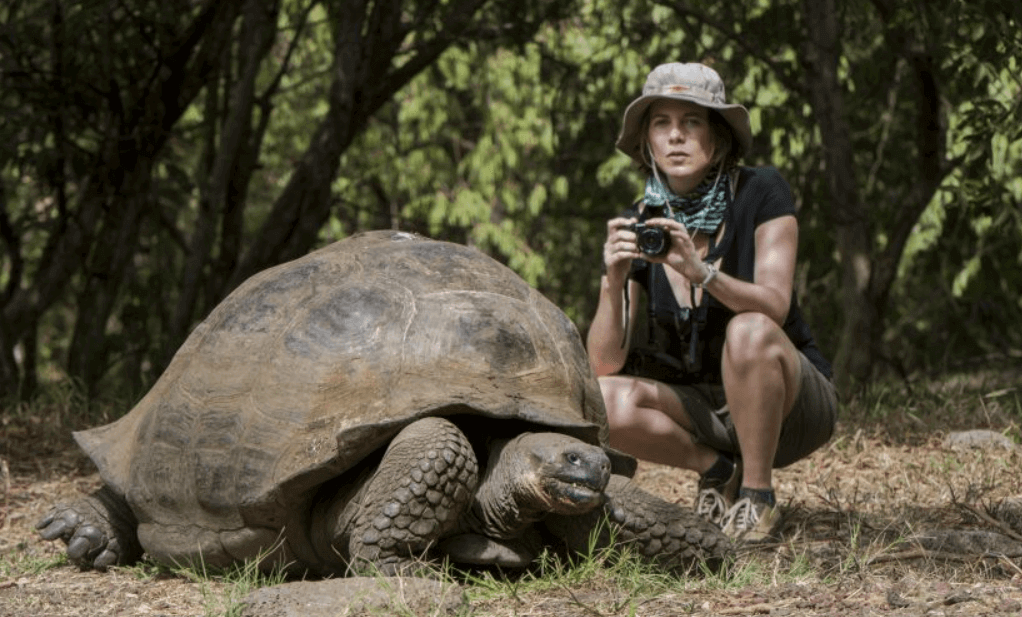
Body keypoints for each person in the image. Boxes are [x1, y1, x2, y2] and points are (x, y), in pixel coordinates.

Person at [586, 62, 838, 541]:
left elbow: (775, 308)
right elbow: (603, 363)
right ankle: (719, 472)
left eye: (692, 122)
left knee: (749, 329)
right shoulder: (643, 223)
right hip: (701, 409)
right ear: (646, 143)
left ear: (718, 138)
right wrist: (613, 279)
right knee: (598, 400)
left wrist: (701, 272)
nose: (676, 136)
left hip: (791, 405)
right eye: (662, 123)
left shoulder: (762, 191)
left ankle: (758, 497)